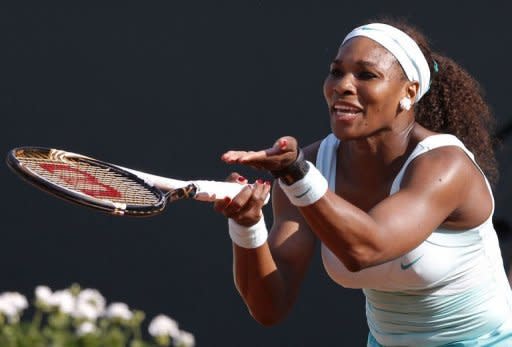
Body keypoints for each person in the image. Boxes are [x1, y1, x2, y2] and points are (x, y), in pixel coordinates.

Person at [214, 20, 512, 346]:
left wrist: (297, 175)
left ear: (409, 92)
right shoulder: (309, 168)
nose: (343, 85)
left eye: (366, 75)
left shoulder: (445, 165)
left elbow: (366, 249)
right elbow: (269, 306)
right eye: (336, 71)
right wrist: (247, 226)